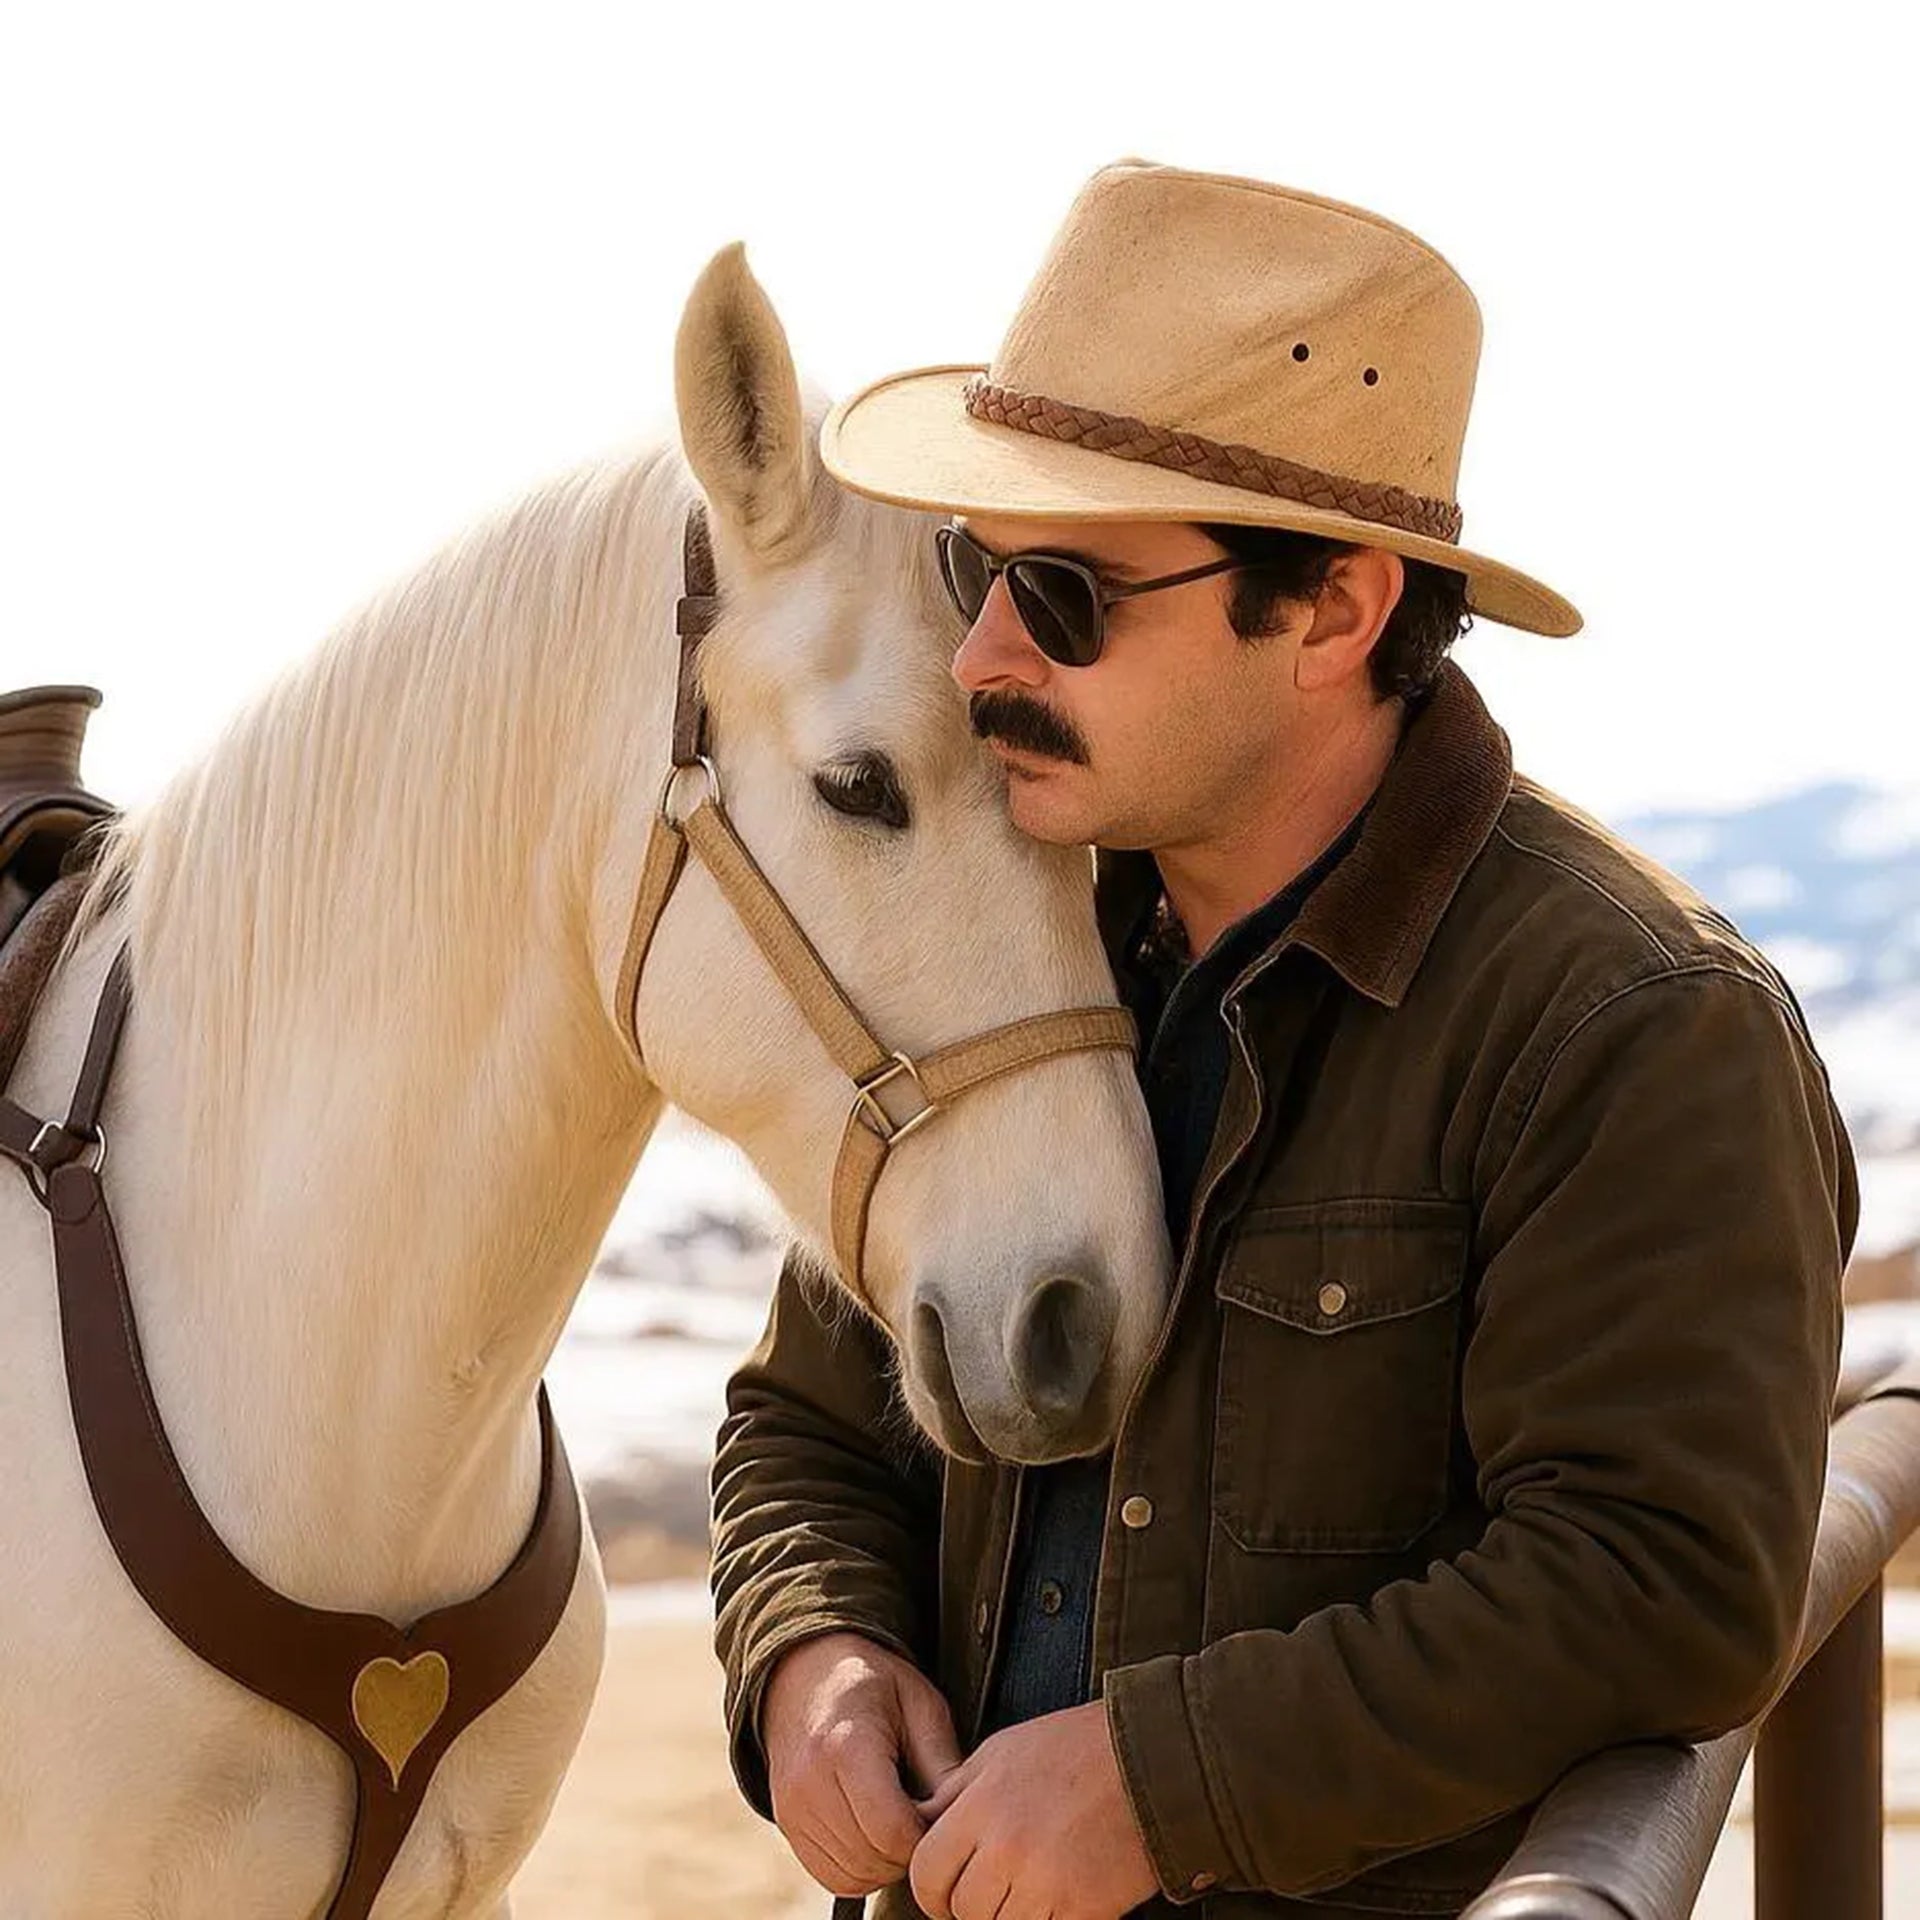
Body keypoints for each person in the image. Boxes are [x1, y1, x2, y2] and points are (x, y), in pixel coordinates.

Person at [707, 157, 1858, 1920]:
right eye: (976, 567)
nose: (983, 657)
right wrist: (814, 1653)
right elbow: (806, 1417)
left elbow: (1658, 1577)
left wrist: (1169, 1790)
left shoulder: (1635, 1025)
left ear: (1333, 610)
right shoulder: (1011, 955)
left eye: (1071, 595)